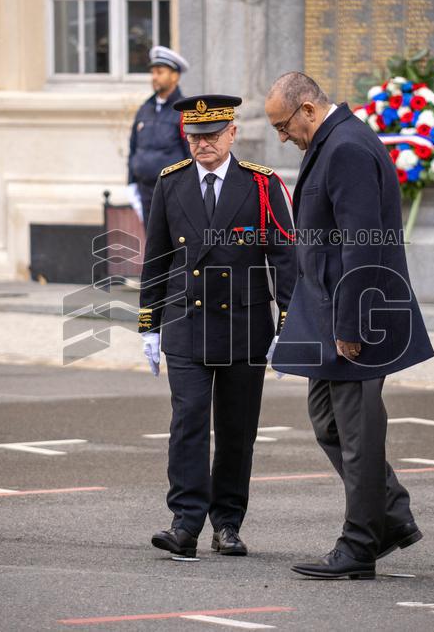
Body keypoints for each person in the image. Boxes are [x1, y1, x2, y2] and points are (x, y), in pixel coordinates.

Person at [265, 72, 434, 579]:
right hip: (327, 312)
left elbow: (363, 243)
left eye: (283, 126)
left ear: (308, 109)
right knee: (328, 421)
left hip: (356, 316)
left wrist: (353, 322)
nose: (283, 137)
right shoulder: (331, 141)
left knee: (357, 434)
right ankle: (392, 515)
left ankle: (360, 544)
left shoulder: (347, 148)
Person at [138, 94, 296, 559]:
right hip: (186, 321)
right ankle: (184, 523)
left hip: (244, 324)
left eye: (211, 135)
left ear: (232, 133)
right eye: (194, 137)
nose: (202, 144)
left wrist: (287, 325)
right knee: (187, 423)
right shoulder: (171, 182)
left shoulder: (261, 185)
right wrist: (149, 324)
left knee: (236, 431)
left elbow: (285, 260)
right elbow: (156, 258)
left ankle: (227, 523)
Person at [127, 46, 191, 224]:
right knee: (152, 239)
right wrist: (131, 183)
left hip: (173, 191)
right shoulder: (145, 108)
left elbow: (192, 153)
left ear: (175, 76)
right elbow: (134, 148)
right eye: (153, 72)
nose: (154, 77)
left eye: (160, 72)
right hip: (145, 191)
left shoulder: (184, 110)